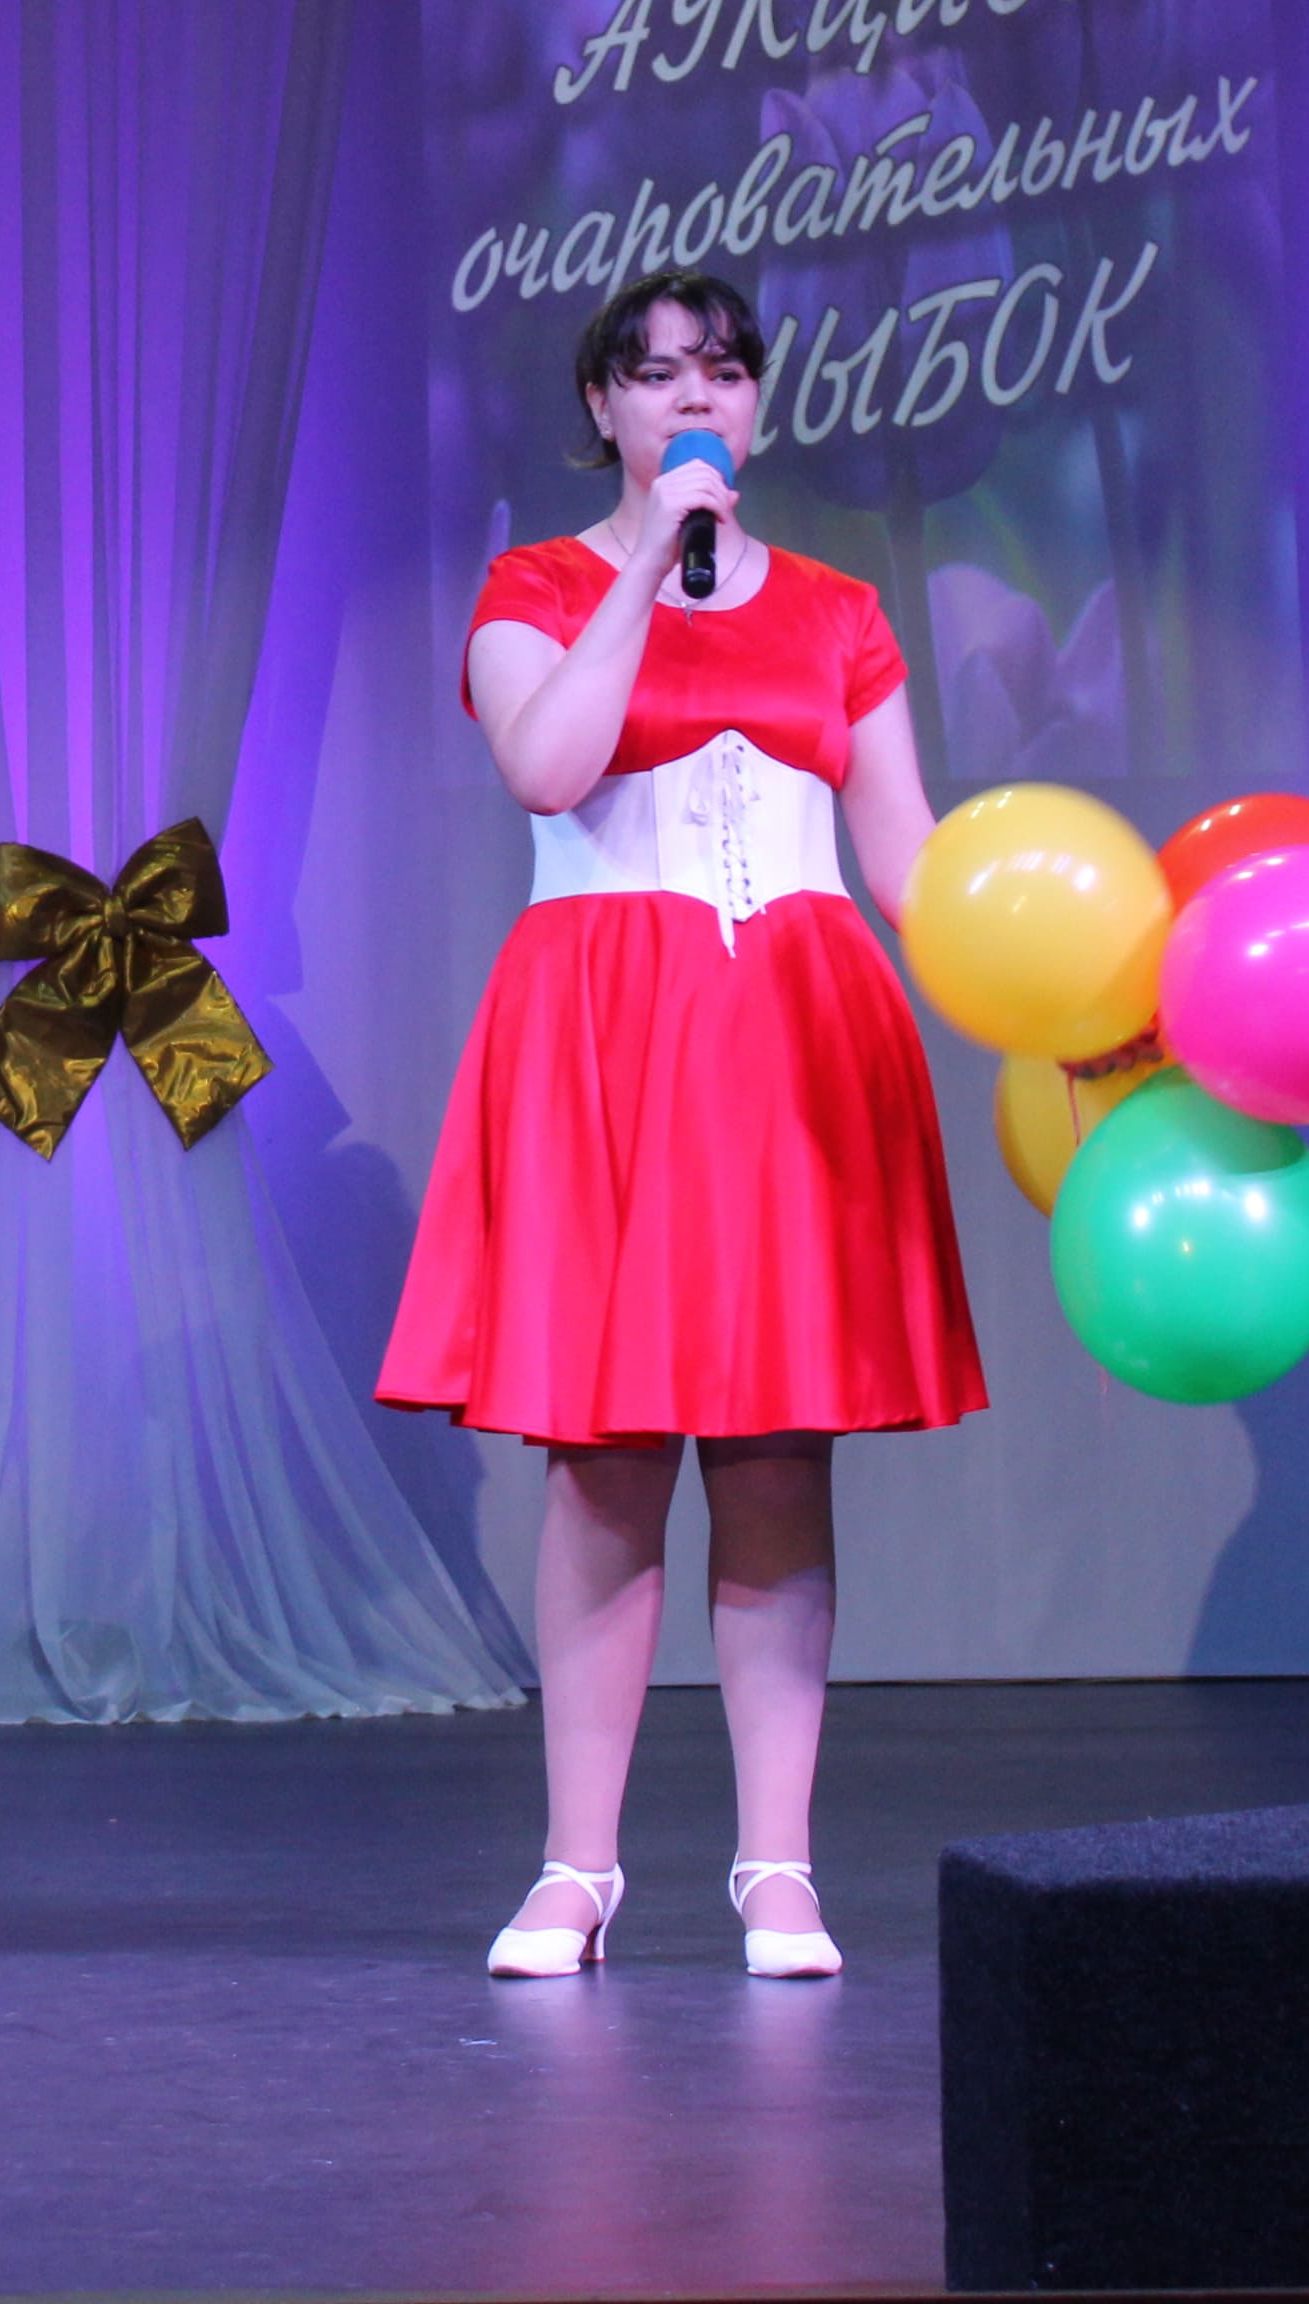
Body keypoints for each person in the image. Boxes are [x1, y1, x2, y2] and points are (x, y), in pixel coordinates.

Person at [379, 269, 985, 1982]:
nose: (693, 396)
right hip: (606, 1034)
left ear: (759, 398)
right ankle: (577, 1870)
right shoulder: (535, 587)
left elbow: (908, 855)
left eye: (721, 369)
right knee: (606, 1462)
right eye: (654, 376)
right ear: (604, 411)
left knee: (780, 1453)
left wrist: (1051, 990)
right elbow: (549, 768)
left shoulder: (844, 612)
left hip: (795, 1033)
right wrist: (652, 559)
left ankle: (776, 1869)